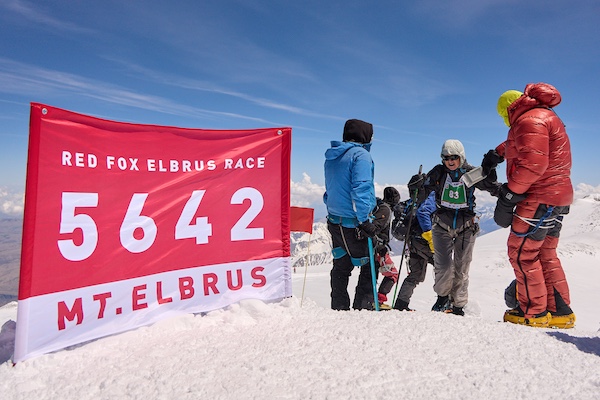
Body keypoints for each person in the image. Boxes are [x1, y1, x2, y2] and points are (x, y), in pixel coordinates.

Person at [483, 83, 575, 328]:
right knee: (546, 254)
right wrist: (497, 153)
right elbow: (524, 143)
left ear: (507, 110)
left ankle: (532, 312)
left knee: (522, 254)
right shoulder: (543, 116)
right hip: (557, 198)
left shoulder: (528, 120)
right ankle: (560, 312)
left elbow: (533, 165)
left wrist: (510, 194)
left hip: (538, 197)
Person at [420, 139, 500, 316]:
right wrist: (417, 186)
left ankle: (458, 305)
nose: (450, 161)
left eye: (453, 157)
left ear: (461, 157)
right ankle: (442, 298)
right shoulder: (439, 172)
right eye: (446, 157)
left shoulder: (470, 173)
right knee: (443, 266)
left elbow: (491, 186)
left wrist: (491, 170)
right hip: (442, 224)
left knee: (462, 268)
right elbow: (423, 190)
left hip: (466, 226)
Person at [324, 119, 377, 310]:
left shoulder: (332, 156)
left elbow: (330, 188)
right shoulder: (361, 155)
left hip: (334, 221)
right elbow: (360, 188)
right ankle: (363, 309)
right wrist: (364, 221)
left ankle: (339, 309)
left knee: (341, 266)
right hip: (353, 223)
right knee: (371, 263)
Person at [390, 173, 434, 311]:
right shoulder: (426, 204)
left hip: (412, 244)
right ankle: (447, 300)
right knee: (444, 268)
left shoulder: (408, 205)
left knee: (415, 275)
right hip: (426, 243)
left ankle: (401, 304)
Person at [367, 187, 401, 310]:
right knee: (393, 274)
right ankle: (378, 301)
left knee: (375, 274)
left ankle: (374, 300)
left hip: (376, 247)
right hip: (379, 249)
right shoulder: (385, 210)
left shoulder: (381, 207)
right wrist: (380, 246)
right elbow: (375, 229)